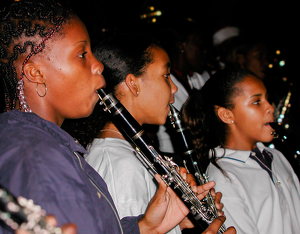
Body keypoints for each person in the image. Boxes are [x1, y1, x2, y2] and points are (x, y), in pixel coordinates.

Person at [0, 1, 232, 234]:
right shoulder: (35, 155)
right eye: (82, 54)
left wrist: (148, 227)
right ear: (36, 73)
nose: (98, 65)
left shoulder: (49, 146)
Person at [62, 33, 235, 234]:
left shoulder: (127, 153)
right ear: (133, 84)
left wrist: (180, 223)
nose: (174, 88)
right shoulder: (121, 164)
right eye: (166, 75)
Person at [181, 68, 300, 234]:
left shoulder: (277, 156)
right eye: (257, 102)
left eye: (267, 99)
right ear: (227, 115)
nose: (270, 108)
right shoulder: (222, 178)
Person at [154, 18, 210, 157]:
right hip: (175, 155)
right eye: (199, 44)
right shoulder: (161, 82)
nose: (204, 51)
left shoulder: (199, 78)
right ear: (181, 47)